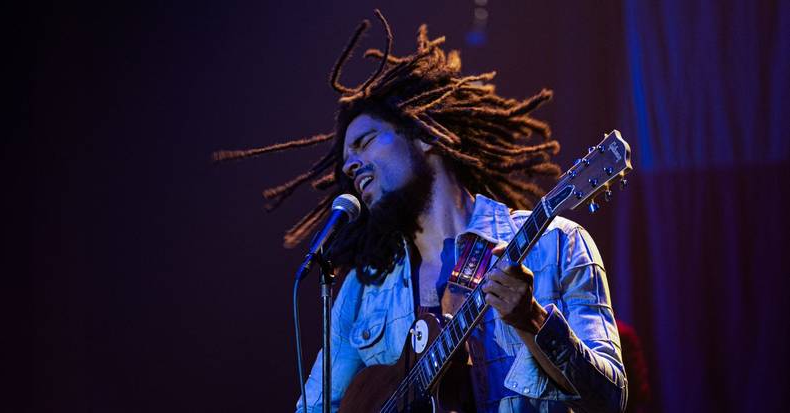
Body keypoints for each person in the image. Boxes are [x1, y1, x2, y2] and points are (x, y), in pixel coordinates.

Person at [215, 10, 627, 413]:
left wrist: (532, 320)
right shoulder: (362, 291)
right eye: (345, 160)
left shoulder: (557, 243)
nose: (349, 165)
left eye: (366, 141)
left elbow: (610, 398)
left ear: (426, 136)